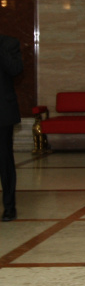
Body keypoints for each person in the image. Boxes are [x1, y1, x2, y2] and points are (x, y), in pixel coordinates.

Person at [1, 34, 23, 222]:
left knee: (4, 161)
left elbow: (15, 69)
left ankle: (9, 207)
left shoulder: (9, 43)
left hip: (2, 114)